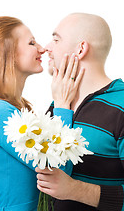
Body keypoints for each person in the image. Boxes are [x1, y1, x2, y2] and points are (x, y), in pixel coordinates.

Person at [0, 16, 83, 211]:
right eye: (32, 43)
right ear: (7, 54)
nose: (42, 49)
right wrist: (63, 105)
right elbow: (59, 173)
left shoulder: (13, 110)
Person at [35, 13, 124, 211]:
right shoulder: (59, 104)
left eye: (56, 39)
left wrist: (76, 190)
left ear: (81, 49)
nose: (47, 47)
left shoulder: (121, 106)